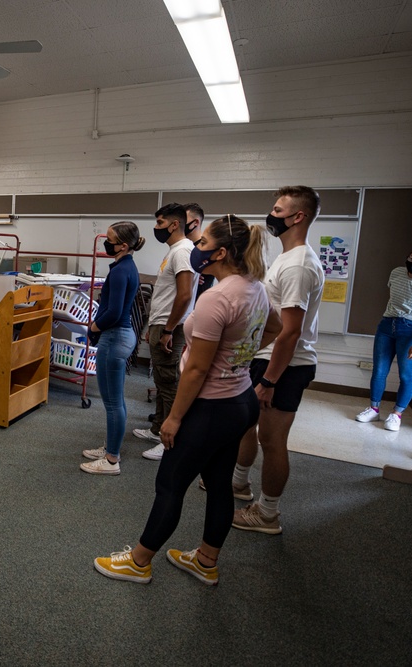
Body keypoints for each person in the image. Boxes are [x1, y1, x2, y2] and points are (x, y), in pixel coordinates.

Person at [92, 215, 281, 585]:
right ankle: (206, 560)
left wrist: (174, 418)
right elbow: (274, 327)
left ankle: (139, 561)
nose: (197, 246)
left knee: (170, 483)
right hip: (240, 400)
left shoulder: (217, 297)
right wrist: (239, 356)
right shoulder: (254, 287)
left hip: (210, 407)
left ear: (222, 252)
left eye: (204, 241)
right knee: (219, 482)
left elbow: (195, 371)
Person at [231, 185, 324, 535]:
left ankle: (268, 514)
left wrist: (269, 380)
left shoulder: (299, 264)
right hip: (266, 359)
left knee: (272, 440)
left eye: (278, 209)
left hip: (285, 367)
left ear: (298, 216)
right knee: (245, 427)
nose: (272, 215)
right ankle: (239, 483)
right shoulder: (285, 258)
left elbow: (290, 332)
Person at [355, 245, 412, 431]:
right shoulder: (396, 273)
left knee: (405, 374)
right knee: (379, 370)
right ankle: (374, 408)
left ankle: (397, 414)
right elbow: (396, 299)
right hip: (387, 325)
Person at [80, 222, 144, 475]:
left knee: (113, 402)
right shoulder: (126, 266)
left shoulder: (120, 271)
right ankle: (111, 446)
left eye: (110, 239)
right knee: (115, 401)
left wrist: (93, 327)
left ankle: (111, 460)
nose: (105, 243)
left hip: (115, 336)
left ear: (124, 245)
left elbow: (114, 312)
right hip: (121, 335)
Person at [132, 203, 194, 461]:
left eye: (159, 223)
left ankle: (169, 439)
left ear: (174, 224)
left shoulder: (183, 251)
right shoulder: (174, 251)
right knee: (160, 379)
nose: (156, 228)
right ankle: (157, 428)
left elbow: (185, 295)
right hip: (162, 324)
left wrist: (168, 329)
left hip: (172, 326)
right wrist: (155, 327)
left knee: (169, 383)